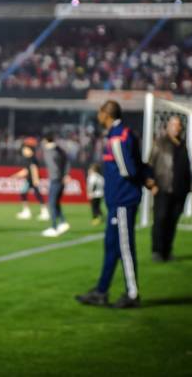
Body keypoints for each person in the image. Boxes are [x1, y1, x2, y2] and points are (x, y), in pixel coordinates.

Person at [76, 100, 155, 309]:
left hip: (122, 201)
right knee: (111, 247)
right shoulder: (122, 133)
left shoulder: (118, 137)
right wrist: (147, 178)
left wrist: (144, 180)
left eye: (100, 112)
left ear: (106, 114)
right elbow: (137, 164)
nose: (98, 116)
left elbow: (128, 170)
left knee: (125, 248)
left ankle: (132, 294)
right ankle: (101, 291)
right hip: (117, 201)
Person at [147, 116, 191, 261]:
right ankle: (157, 251)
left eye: (178, 125)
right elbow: (150, 165)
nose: (176, 127)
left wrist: (188, 187)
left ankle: (167, 250)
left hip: (180, 191)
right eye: (173, 124)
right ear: (168, 126)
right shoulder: (160, 143)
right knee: (160, 220)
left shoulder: (183, 144)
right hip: (162, 188)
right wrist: (151, 185)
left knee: (173, 221)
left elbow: (187, 167)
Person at [41, 134, 71, 238]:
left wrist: (63, 175)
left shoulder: (51, 151)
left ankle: (54, 227)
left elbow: (58, 165)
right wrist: (66, 174)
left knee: (52, 203)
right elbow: (66, 161)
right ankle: (63, 222)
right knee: (56, 202)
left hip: (56, 179)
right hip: (58, 178)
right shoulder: (59, 150)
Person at [10, 143, 48, 221]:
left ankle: (45, 212)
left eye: (26, 150)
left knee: (37, 195)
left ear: (31, 151)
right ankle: (26, 211)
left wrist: (35, 179)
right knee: (23, 193)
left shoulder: (32, 159)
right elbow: (26, 171)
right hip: (29, 180)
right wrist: (16, 175)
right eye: (24, 150)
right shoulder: (27, 159)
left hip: (33, 180)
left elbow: (34, 169)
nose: (24, 151)